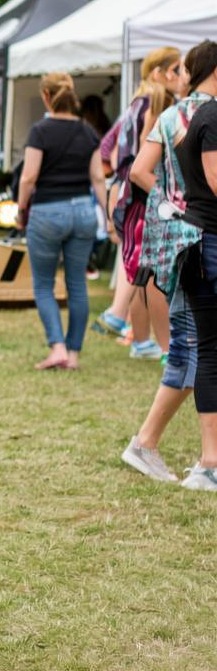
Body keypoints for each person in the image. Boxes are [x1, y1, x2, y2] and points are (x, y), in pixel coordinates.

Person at [122, 42, 215, 481]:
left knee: (191, 341)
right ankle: (149, 444)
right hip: (197, 230)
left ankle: (154, 444)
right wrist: (176, 203)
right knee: (191, 343)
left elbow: (140, 170)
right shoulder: (200, 115)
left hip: (178, 232)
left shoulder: (170, 116)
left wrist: (165, 203)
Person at [97, 48, 186, 358]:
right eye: (175, 68)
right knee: (151, 274)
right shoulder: (156, 105)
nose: (180, 75)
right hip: (145, 197)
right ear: (158, 72)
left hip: (131, 196)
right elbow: (143, 157)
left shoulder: (136, 103)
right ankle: (155, 343)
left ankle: (141, 340)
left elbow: (108, 151)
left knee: (141, 270)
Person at [15, 73, 107, 370]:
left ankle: (57, 348)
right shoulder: (88, 132)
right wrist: (108, 215)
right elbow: (97, 178)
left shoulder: (40, 131)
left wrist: (20, 208)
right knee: (77, 284)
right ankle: (74, 354)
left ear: (46, 96)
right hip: (82, 211)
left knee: (43, 284)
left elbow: (29, 176)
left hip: (47, 212)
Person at [174, 44, 217, 491]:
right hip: (208, 243)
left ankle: (210, 462)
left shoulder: (194, 117)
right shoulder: (212, 116)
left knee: (209, 352)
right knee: (209, 352)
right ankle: (209, 462)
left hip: (198, 241)